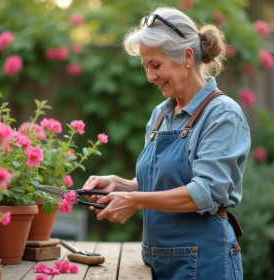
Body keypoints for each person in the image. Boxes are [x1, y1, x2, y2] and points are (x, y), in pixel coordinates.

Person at [82, 6, 250, 280]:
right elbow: (163, 182)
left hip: (205, 264)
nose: (150, 77)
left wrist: (134, 200)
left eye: (156, 65)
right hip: (158, 265)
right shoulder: (161, 115)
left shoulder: (222, 114)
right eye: (146, 67)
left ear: (186, 57)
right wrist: (121, 185)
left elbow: (206, 191)